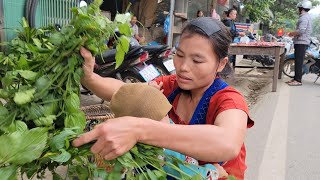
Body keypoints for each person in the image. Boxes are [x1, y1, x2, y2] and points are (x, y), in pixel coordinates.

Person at [73, 17, 254, 180]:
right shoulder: (172, 85)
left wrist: (140, 130)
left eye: (197, 61)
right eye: (180, 55)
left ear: (221, 63)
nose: (183, 67)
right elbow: (126, 92)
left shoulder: (228, 99)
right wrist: (89, 77)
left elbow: (227, 143)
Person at [109, 83, 225, 179]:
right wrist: (215, 171)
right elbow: (189, 174)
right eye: (163, 116)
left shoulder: (130, 145)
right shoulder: (163, 151)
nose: (168, 119)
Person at [287, 0, 312, 86]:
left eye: (299, 8)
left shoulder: (304, 17)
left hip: (301, 42)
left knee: (299, 61)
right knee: (297, 61)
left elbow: (301, 30)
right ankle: (295, 78)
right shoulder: (305, 16)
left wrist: (291, 33)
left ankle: (298, 80)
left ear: (302, 8)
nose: (298, 9)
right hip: (301, 42)